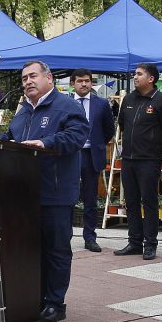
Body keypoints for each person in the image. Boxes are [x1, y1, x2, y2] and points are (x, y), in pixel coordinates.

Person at [0, 60, 89, 322]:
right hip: (23, 194)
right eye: (24, 78)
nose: (27, 81)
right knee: (29, 249)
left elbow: (77, 136)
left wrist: (45, 143)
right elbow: (12, 139)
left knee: (56, 250)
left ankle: (55, 302)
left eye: (32, 76)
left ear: (49, 79)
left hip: (55, 193)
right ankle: (32, 296)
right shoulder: (23, 111)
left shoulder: (67, 106)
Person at [114, 63, 162, 261]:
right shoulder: (128, 99)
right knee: (131, 201)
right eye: (135, 73)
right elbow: (123, 124)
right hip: (128, 159)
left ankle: (150, 244)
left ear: (151, 79)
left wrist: (159, 151)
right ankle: (134, 242)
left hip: (149, 160)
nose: (135, 77)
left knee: (149, 202)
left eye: (139, 74)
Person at [70, 69, 115, 252]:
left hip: (91, 155)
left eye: (87, 81)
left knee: (90, 198)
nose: (84, 84)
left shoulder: (101, 104)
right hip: (70, 154)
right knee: (68, 196)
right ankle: (64, 235)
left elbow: (109, 129)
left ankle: (90, 237)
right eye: (80, 81)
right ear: (73, 83)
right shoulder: (65, 102)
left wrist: (97, 144)